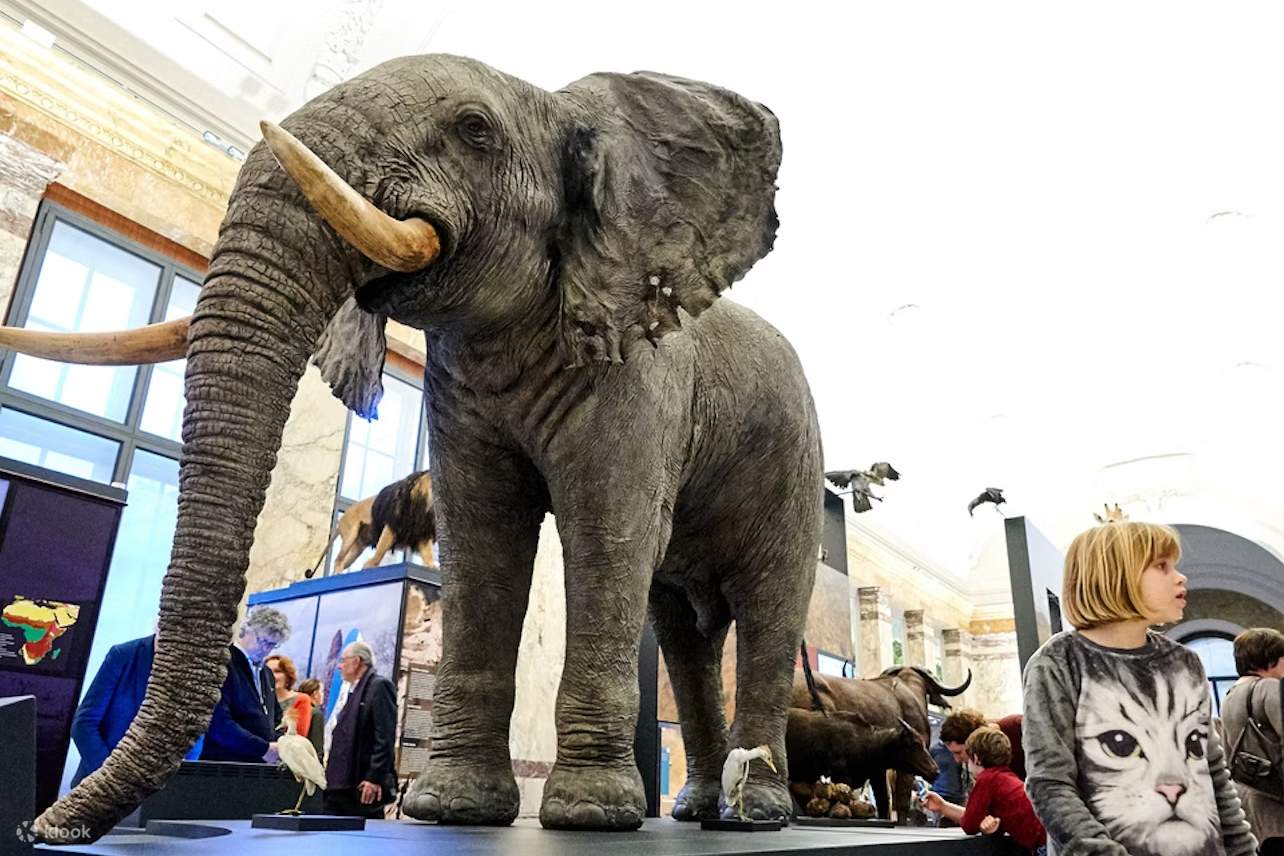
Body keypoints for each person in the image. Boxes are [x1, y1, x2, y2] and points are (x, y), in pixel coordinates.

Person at [1023, 521, 1256, 856]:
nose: (1180, 577)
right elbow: (1051, 784)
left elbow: (1213, 772)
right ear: (1115, 575)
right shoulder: (1058, 663)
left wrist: (1244, 849)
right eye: (1162, 566)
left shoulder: (1185, 662)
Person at [70, 633, 203, 785]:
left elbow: (194, 735)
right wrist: (112, 777)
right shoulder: (123, 655)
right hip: (101, 785)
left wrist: (176, 781)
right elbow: (83, 725)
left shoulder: (194, 667)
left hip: (160, 789)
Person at [924, 727, 1046, 854]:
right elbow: (976, 816)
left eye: (968, 759)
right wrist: (942, 806)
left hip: (1041, 845)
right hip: (1047, 838)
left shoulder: (987, 779)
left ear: (976, 758)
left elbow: (969, 825)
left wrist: (981, 823)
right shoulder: (1006, 777)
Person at [200, 606, 290, 763]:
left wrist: (278, 741)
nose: (266, 649)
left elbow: (275, 716)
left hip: (258, 764)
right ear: (247, 631)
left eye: (272, 645)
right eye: (263, 641)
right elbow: (218, 723)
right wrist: (262, 748)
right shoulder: (222, 662)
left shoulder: (266, 673)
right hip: (224, 762)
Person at [1220, 628, 1284, 849]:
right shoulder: (1270, 688)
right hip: (1277, 796)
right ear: (1270, 658)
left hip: (1252, 794)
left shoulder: (1231, 694)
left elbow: (1228, 750)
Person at [323, 641, 397, 818]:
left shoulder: (379, 686)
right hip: (341, 784)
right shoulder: (355, 691)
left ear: (356, 661)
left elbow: (384, 737)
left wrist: (374, 777)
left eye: (343, 660)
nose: (340, 666)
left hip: (361, 785)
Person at [266, 654, 314, 738]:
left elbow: (299, 735)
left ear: (288, 675)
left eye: (277, 671)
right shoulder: (260, 699)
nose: (272, 676)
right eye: (268, 672)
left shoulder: (301, 700)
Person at [297, 677, 326, 762]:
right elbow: (317, 747)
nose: (323, 695)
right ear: (315, 694)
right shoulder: (316, 714)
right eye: (322, 691)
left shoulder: (294, 710)